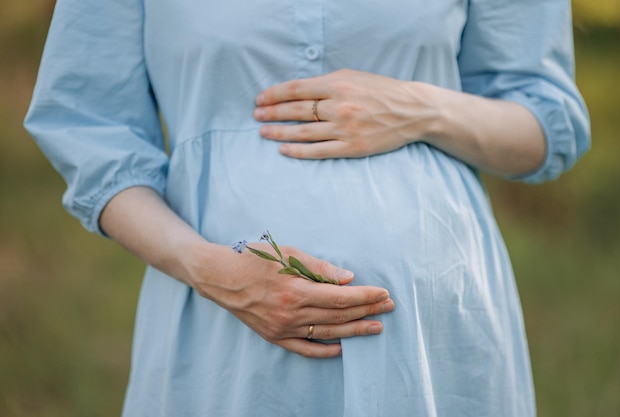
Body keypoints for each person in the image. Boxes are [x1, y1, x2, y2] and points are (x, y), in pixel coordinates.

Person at [25, 0, 590, 416]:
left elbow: (546, 123)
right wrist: (207, 268)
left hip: (432, 326)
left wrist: (419, 108)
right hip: (221, 327)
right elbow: (90, 130)